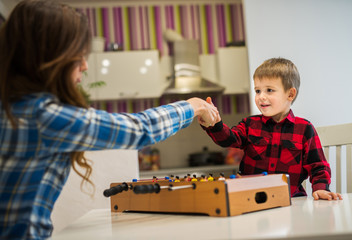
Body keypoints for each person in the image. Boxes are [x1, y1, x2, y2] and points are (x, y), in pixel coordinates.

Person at [0, 1, 219, 239]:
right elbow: (140, 129)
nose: (84, 66)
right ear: (49, 57)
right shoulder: (42, 116)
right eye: (77, 55)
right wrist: (194, 105)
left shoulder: (13, 106)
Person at [203, 57, 342, 201]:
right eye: (258, 91)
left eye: (269, 90)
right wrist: (214, 123)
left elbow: (318, 166)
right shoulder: (249, 124)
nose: (261, 97)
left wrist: (320, 188)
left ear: (290, 94)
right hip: (251, 200)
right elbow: (228, 139)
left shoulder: (305, 128)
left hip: (290, 201)